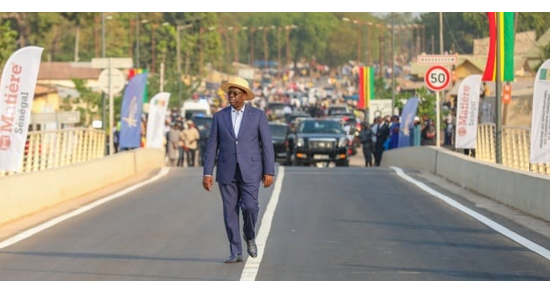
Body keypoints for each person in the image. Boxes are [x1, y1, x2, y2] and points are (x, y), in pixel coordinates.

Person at [202, 76, 275, 263]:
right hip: (227, 171)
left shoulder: (257, 116)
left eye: (235, 94)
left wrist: (269, 171)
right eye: (229, 93)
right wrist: (208, 173)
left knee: (250, 207)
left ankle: (249, 235)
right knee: (230, 212)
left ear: (244, 95)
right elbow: (212, 146)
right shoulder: (220, 117)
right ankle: (235, 251)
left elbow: (266, 144)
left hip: (251, 170)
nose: (231, 97)